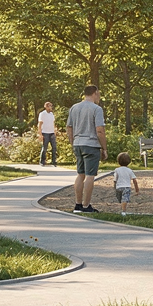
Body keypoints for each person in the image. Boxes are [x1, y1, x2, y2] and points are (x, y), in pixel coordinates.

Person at [68, 85, 105, 213]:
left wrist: (73, 142)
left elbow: (69, 127)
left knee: (80, 174)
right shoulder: (97, 109)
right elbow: (99, 130)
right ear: (95, 93)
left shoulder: (74, 108)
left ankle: (77, 204)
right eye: (98, 93)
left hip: (78, 143)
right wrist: (104, 148)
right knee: (90, 176)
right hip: (91, 144)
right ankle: (86, 205)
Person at [36, 101, 59, 166]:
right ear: (46, 107)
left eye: (51, 106)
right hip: (45, 132)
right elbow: (40, 124)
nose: (50, 107)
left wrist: (55, 131)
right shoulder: (42, 114)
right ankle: (42, 161)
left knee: (54, 147)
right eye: (49, 106)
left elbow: (53, 123)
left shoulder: (51, 114)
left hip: (51, 133)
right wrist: (40, 134)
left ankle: (54, 161)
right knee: (44, 148)